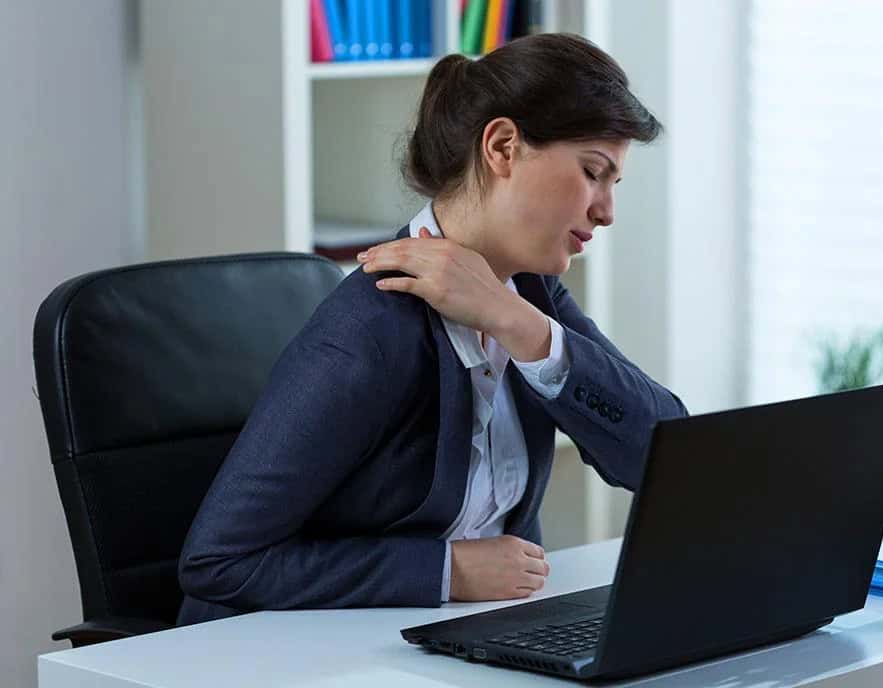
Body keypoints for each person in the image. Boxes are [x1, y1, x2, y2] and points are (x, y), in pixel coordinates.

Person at [176, 32, 687, 626]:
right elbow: (218, 563)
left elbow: (662, 457)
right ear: (502, 147)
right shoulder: (370, 328)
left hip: (454, 639)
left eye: (614, 185)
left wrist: (515, 324)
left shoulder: (529, 296)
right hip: (287, 656)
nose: (606, 211)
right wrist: (449, 570)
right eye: (593, 172)